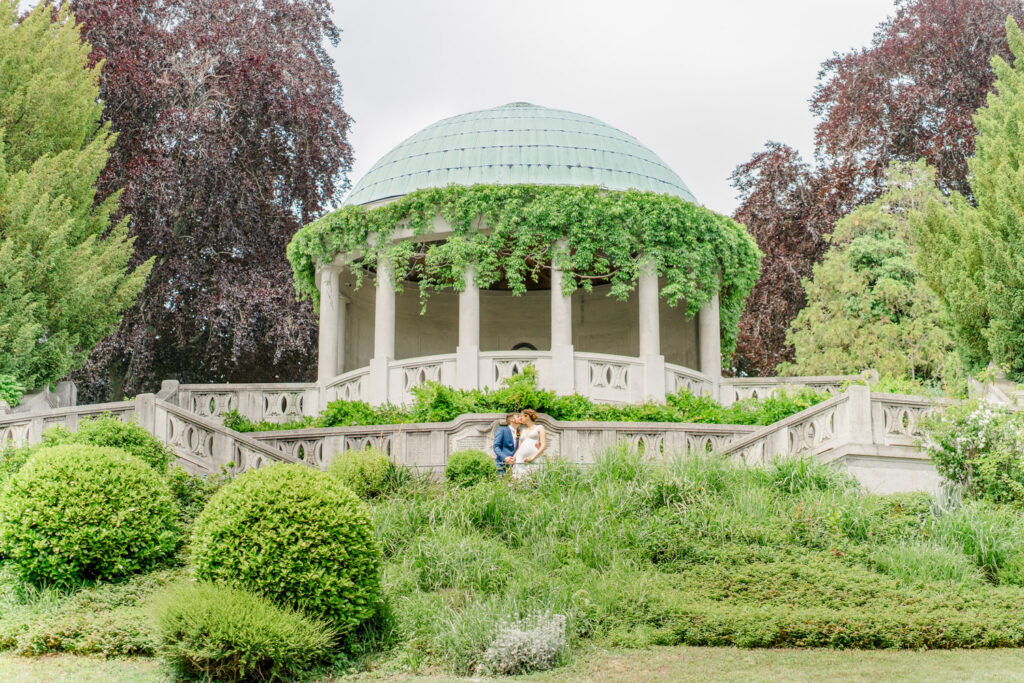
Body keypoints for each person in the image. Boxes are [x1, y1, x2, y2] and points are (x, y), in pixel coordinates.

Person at [507, 408, 545, 480]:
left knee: (533, 479)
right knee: (518, 479)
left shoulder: (539, 428)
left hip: (533, 458)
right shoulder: (522, 430)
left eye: (522, 416)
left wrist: (532, 458)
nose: (520, 418)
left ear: (527, 416)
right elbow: (519, 447)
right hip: (520, 459)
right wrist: (513, 458)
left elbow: (543, 445)